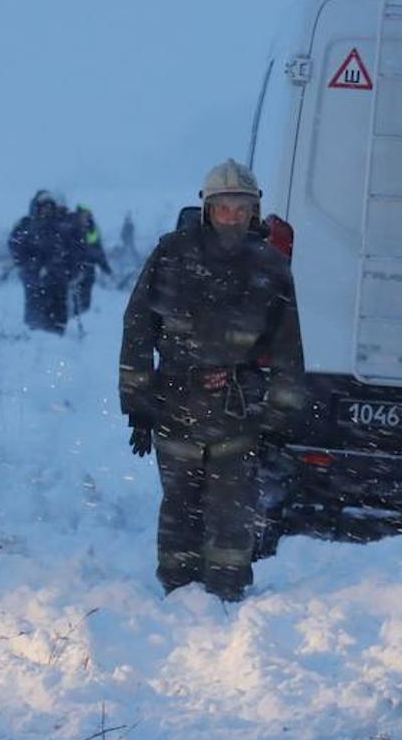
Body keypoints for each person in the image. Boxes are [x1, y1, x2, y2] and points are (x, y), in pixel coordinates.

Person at [119, 158, 306, 602]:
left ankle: (226, 591)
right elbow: (138, 328)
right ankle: (177, 591)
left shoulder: (270, 265)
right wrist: (138, 405)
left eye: (243, 207)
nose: (233, 216)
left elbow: (288, 346)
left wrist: (280, 417)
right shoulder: (171, 254)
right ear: (207, 208)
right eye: (225, 206)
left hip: (238, 408)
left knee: (232, 509)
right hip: (175, 402)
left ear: (256, 210)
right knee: (179, 503)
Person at [8, 190, 79, 333]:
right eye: (43, 206)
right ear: (37, 207)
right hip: (34, 276)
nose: (46, 210)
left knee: (58, 305)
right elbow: (16, 246)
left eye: (49, 207)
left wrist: (71, 269)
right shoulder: (26, 225)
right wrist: (31, 264)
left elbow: (73, 249)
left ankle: (58, 332)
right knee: (36, 306)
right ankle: (36, 332)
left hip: (58, 276)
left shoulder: (60, 226)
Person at [71, 204, 113, 316]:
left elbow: (99, 251)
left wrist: (105, 267)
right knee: (73, 296)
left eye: (87, 214)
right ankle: (73, 318)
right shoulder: (71, 227)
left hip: (89, 268)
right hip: (75, 267)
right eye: (83, 214)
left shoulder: (92, 229)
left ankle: (81, 315)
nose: (85, 217)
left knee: (85, 299)